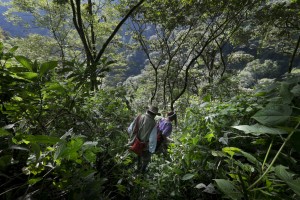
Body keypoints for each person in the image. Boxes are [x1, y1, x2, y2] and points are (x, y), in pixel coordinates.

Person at [127, 106, 161, 173]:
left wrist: (132, 139)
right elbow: (152, 138)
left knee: (137, 154)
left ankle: (137, 168)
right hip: (144, 145)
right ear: (154, 114)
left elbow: (130, 129)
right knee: (146, 159)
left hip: (134, 142)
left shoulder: (139, 117)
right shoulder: (153, 124)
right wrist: (151, 150)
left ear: (148, 111)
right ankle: (142, 173)